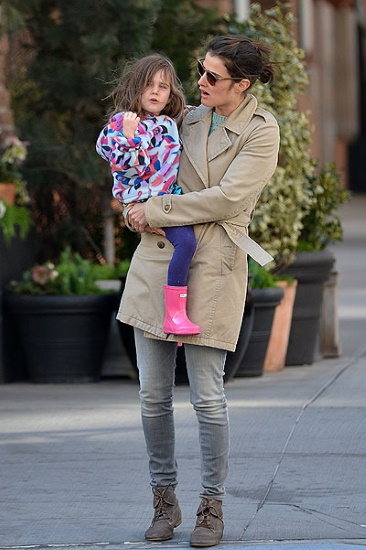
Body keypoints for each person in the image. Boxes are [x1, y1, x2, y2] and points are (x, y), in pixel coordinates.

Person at [120, 36, 280, 547]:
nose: (200, 82)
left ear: (242, 84)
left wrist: (157, 210)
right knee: (152, 396)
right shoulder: (183, 118)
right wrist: (129, 207)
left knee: (209, 398)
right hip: (157, 259)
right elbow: (139, 168)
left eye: (213, 76)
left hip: (214, 266)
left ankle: (212, 507)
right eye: (200, 71)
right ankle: (163, 503)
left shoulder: (262, 130)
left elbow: (229, 198)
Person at [96, 54, 200, 335]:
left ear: (170, 94)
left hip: (167, 200)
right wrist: (131, 138)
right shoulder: (122, 123)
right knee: (186, 242)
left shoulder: (167, 123)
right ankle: (175, 315)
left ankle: (177, 316)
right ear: (135, 88)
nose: (155, 91)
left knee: (188, 243)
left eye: (163, 86)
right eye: (148, 85)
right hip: (144, 200)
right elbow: (124, 168)